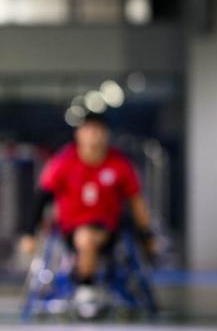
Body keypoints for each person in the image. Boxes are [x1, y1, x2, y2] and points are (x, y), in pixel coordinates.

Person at [19, 112, 156, 317]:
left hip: (108, 230)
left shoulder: (119, 164)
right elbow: (42, 198)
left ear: (106, 135)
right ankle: (86, 286)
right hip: (69, 230)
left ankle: (87, 286)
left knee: (89, 237)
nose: (95, 136)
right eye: (90, 131)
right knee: (85, 237)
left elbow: (137, 204)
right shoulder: (63, 162)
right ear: (79, 134)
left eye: (99, 131)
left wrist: (147, 236)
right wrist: (30, 233)